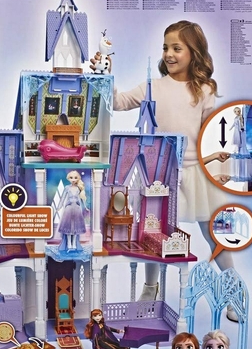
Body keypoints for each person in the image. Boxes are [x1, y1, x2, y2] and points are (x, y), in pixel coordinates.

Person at [99, 20, 237, 321]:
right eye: (165, 48)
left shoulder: (204, 90)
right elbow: (118, 102)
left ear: (194, 53)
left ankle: (233, 289)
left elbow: (212, 134)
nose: (169, 54)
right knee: (152, 230)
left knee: (213, 232)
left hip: (196, 172)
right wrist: (106, 74)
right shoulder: (153, 87)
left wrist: (219, 168)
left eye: (177, 48)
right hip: (160, 172)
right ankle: (151, 288)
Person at [57, 170, 88, 251]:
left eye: (75, 178)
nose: (73, 179)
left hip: (77, 209)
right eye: (71, 178)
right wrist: (59, 206)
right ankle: (69, 244)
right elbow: (63, 198)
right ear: (68, 178)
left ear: (78, 178)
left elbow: (82, 199)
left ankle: (74, 243)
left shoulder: (79, 188)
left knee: (75, 227)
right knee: (68, 226)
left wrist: (85, 207)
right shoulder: (67, 188)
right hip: (69, 209)